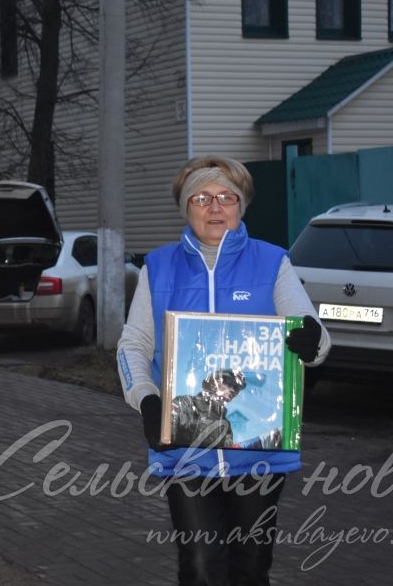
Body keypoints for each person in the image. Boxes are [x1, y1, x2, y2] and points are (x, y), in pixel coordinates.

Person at [116, 155, 331, 586]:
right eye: (201, 197)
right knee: (198, 566)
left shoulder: (273, 263)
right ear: (186, 207)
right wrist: (146, 397)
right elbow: (132, 346)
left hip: (258, 452)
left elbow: (315, 334)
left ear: (242, 204)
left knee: (250, 568)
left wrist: (311, 341)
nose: (214, 207)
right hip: (185, 451)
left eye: (226, 197)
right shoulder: (157, 267)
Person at [170, 368, 246, 449]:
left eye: (237, 388)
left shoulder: (225, 425)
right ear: (213, 383)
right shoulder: (184, 404)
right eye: (229, 384)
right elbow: (167, 440)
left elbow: (225, 454)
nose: (233, 390)